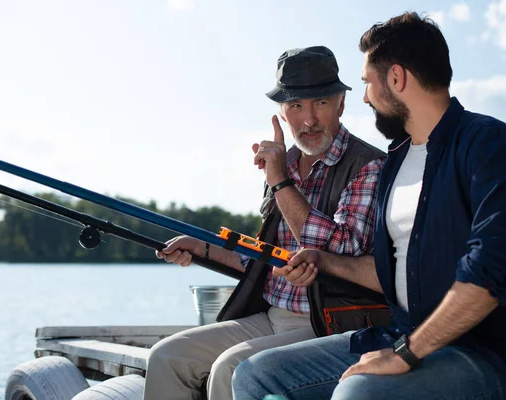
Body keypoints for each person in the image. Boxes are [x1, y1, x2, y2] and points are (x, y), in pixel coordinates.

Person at [232, 12, 506, 400]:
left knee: (359, 394)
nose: (365, 97)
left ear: (396, 79)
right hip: (402, 338)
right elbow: (395, 270)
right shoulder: (397, 160)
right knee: (254, 375)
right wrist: (325, 260)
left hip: (484, 356)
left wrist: (406, 353)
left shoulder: (491, 146)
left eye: (367, 82)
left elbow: (491, 275)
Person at [142, 46, 388, 400]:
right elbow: (267, 258)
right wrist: (204, 248)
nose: (308, 120)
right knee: (166, 356)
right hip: (272, 315)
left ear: (341, 104)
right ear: (282, 114)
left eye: (319, 102)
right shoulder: (283, 163)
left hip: (331, 326)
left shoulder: (368, 165)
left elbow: (341, 249)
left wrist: (280, 182)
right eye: (296, 106)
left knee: (231, 368)